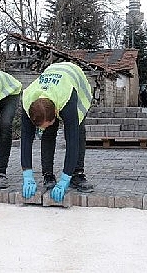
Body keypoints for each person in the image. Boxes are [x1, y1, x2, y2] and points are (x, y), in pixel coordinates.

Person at [20, 62, 94, 203]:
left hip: (74, 80)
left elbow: (72, 142)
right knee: (48, 134)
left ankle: (77, 174)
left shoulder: (67, 99)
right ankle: (48, 174)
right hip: (51, 78)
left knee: (77, 133)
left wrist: (65, 179)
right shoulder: (27, 100)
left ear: (56, 111)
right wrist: (27, 175)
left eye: (49, 122)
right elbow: (25, 140)